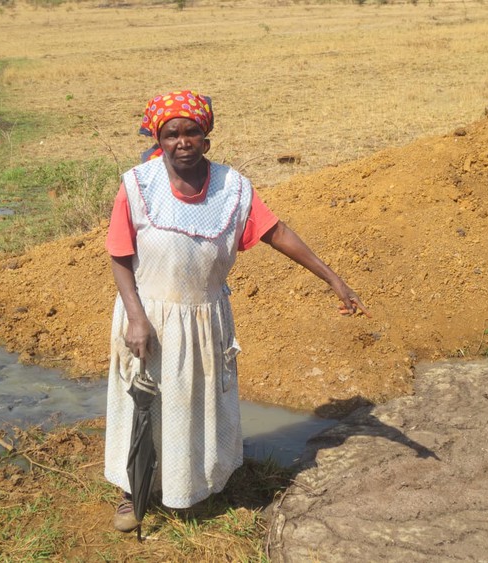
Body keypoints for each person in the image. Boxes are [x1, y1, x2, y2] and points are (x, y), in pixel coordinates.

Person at [104, 90, 369, 533]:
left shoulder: (232, 188)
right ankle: (135, 492)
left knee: (192, 403)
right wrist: (135, 317)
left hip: (204, 318)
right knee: (143, 404)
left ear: (207, 140)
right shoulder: (137, 185)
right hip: (146, 315)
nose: (182, 141)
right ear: (159, 138)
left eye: (193, 132)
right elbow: (118, 253)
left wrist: (333, 279)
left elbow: (276, 231)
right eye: (172, 134)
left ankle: (191, 485)